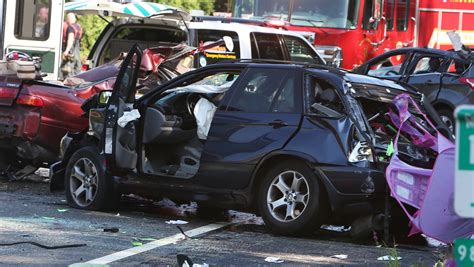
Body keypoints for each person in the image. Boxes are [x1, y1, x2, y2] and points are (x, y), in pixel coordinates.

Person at [60, 13, 83, 79]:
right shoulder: (78, 27)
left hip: (70, 53)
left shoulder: (70, 27)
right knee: (75, 71)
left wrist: (66, 51)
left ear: (67, 19)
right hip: (76, 54)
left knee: (67, 72)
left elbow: (70, 39)